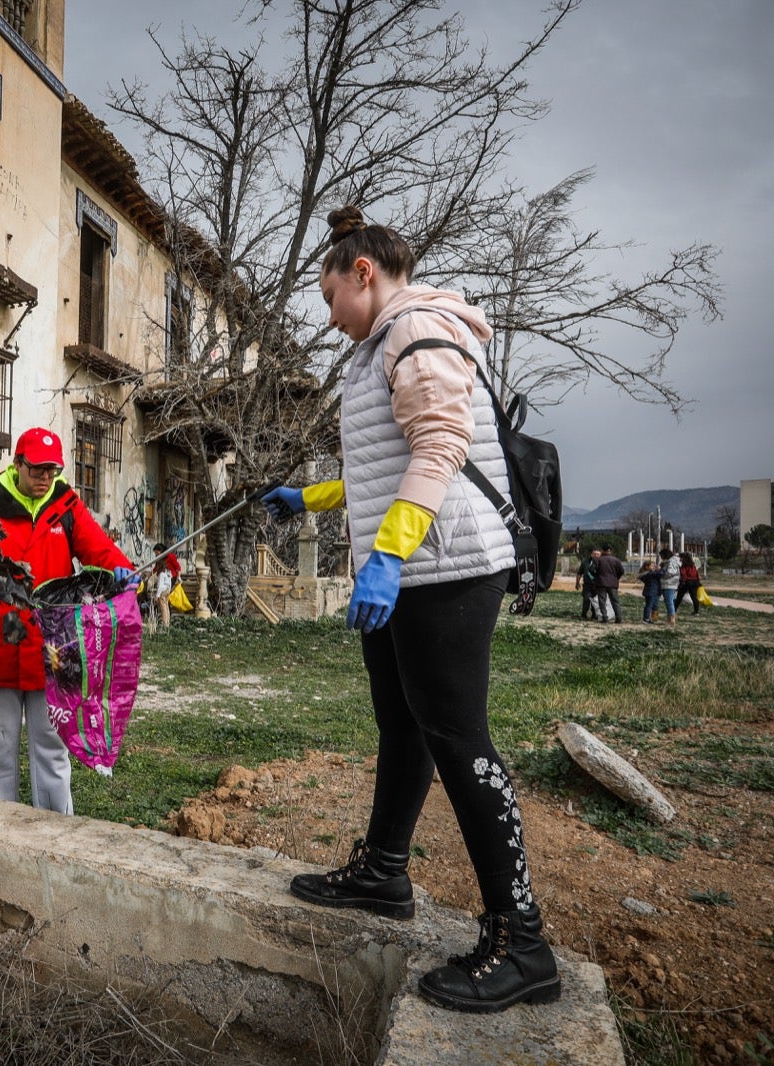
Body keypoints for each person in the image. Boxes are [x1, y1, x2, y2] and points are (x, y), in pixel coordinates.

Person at [260, 207, 558, 1013]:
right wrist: (311, 495)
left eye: (330, 297)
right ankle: (384, 872)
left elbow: (440, 448)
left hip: (445, 568)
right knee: (404, 723)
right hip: (416, 563)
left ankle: (521, 941)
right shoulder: (380, 342)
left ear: (364, 274)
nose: (327, 319)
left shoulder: (415, 329)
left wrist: (387, 555)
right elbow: (388, 462)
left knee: (460, 740)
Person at [0, 428, 137, 814]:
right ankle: (1, 834)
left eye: (53, 470)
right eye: (38, 469)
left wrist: (124, 573)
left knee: (53, 752)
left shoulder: (66, 506)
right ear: (18, 464)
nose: (46, 478)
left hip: (53, 652)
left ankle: (56, 835)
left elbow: (101, 551)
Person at [595, 548, 625, 624]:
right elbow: (622, 571)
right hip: (613, 583)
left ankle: (605, 617)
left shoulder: (599, 560)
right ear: (611, 551)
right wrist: (616, 577)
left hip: (601, 583)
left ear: (603, 551)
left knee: (602, 601)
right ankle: (618, 618)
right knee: (615, 601)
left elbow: (595, 570)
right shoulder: (616, 560)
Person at [657, 548, 681, 626]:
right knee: (668, 602)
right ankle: (669, 618)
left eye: (661, 556)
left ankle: (672, 619)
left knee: (669, 602)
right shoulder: (668, 562)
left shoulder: (672, 562)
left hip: (669, 584)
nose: (661, 558)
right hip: (667, 584)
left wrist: (661, 573)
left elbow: (671, 572)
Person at [576, 550, 601, 620]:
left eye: (598, 554)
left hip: (597, 586)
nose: (596, 555)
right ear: (591, 554)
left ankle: (594, 615)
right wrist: (577, 583)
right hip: (587, 585)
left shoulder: (602, 563)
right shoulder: (585, 562)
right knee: (586, 600)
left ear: (600, 555)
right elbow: (579, 573)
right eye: (594, 554)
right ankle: (584, 615)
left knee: (596, 602)